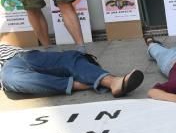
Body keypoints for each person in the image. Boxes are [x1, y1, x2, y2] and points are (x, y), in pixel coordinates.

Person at [0, 43, 143, 98]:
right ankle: (80, 84)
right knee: (12, 79)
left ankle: (112, 82)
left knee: (69, 58)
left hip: (20, 56)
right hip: (6, 73)